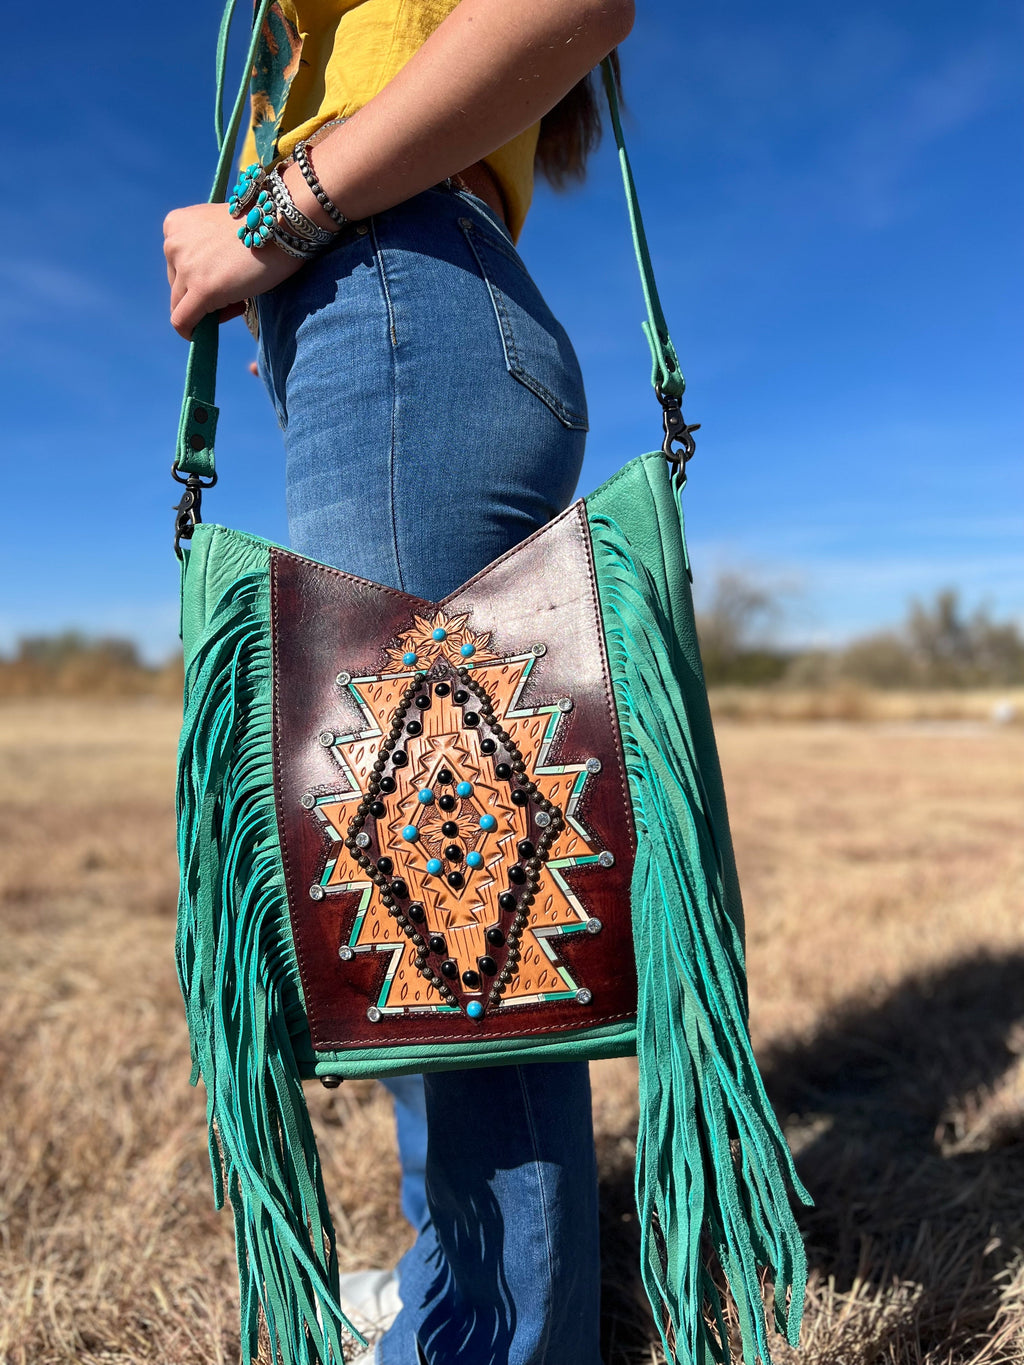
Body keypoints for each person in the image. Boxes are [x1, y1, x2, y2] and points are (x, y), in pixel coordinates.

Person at [164, 1, 634, 1361]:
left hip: (401, 307)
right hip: (396, 313)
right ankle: (468, 1292)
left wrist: (270, 215)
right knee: (449, 868)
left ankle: (490, 1342)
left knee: (452, 883)